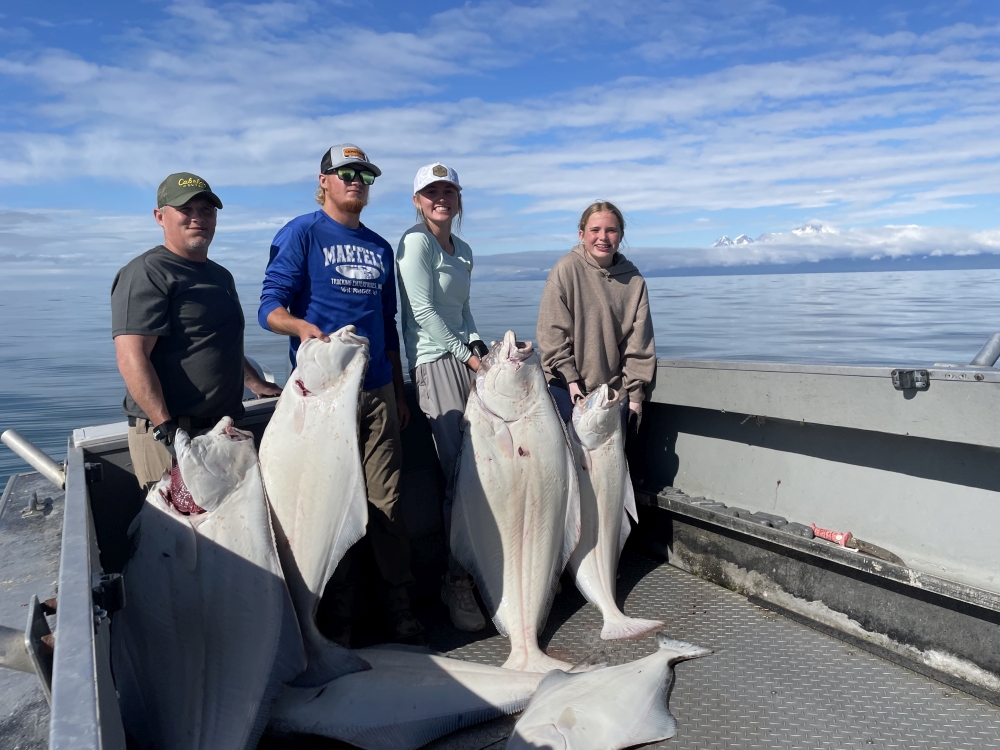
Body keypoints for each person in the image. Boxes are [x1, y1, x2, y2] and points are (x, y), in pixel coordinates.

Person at [257, 144, 423, 645]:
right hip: (322, 399)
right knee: (333, 504)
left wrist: (397, 390)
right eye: (345, 173)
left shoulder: (378, 246)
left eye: (363, 174)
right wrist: (301, 327)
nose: (355, 180)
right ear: (324, 180)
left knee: (387, 504)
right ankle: (338, 621)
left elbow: (388, 325)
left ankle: (399, 611)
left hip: (375, 394)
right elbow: (269, 308)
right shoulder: (302, 232)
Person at [112, 172, 281, 491]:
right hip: (173, 435)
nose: (197, 218)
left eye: (206, 210)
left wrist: (256, 383)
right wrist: (165, 427)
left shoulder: (221, 276)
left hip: (222, 431)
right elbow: (131, 356)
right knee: (178, 536)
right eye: (185, 209)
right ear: (160, 217)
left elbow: (218, 342)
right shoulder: (147, 273)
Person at [396, 163, 489, 632]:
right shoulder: (416, 243)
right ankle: (457, 582)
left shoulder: (465, 249)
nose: (440, 198)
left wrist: (482, 352)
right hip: (435, 363)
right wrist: (463, 356)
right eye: (431, 192)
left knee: (485, 469)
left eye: (448, 190)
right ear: (417, 201)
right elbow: (423, 312)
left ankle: (488, 568)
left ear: (458, 198)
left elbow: (464, 310)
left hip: (467, 362)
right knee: (458, 474)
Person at [536, 201, 655, 438]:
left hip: (611, 395)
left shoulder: (634, 281)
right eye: (595, 230)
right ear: (581, 235)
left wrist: (635, 398)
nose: (603, 237)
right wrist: (570, 380)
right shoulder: (566, 269)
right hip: (566, 387)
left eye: (611, 230)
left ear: (620, 235)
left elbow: (638, 346)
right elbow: (551, 332)